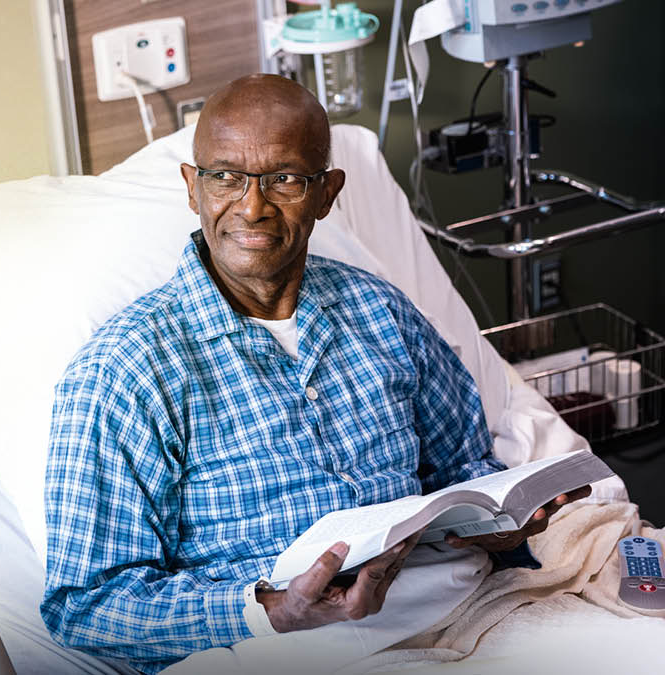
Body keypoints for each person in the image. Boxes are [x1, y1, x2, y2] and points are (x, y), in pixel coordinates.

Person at [39, 74, 589, 675]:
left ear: (327, 194)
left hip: (468, 611)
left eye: (285, 179)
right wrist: (267, 610)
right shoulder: (125, 371)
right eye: (225, 176)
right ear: (192, 187)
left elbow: (461, 467)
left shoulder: (381, 312)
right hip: (275, 654)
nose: (251, 206)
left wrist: (500, 524)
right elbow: (86, 606)